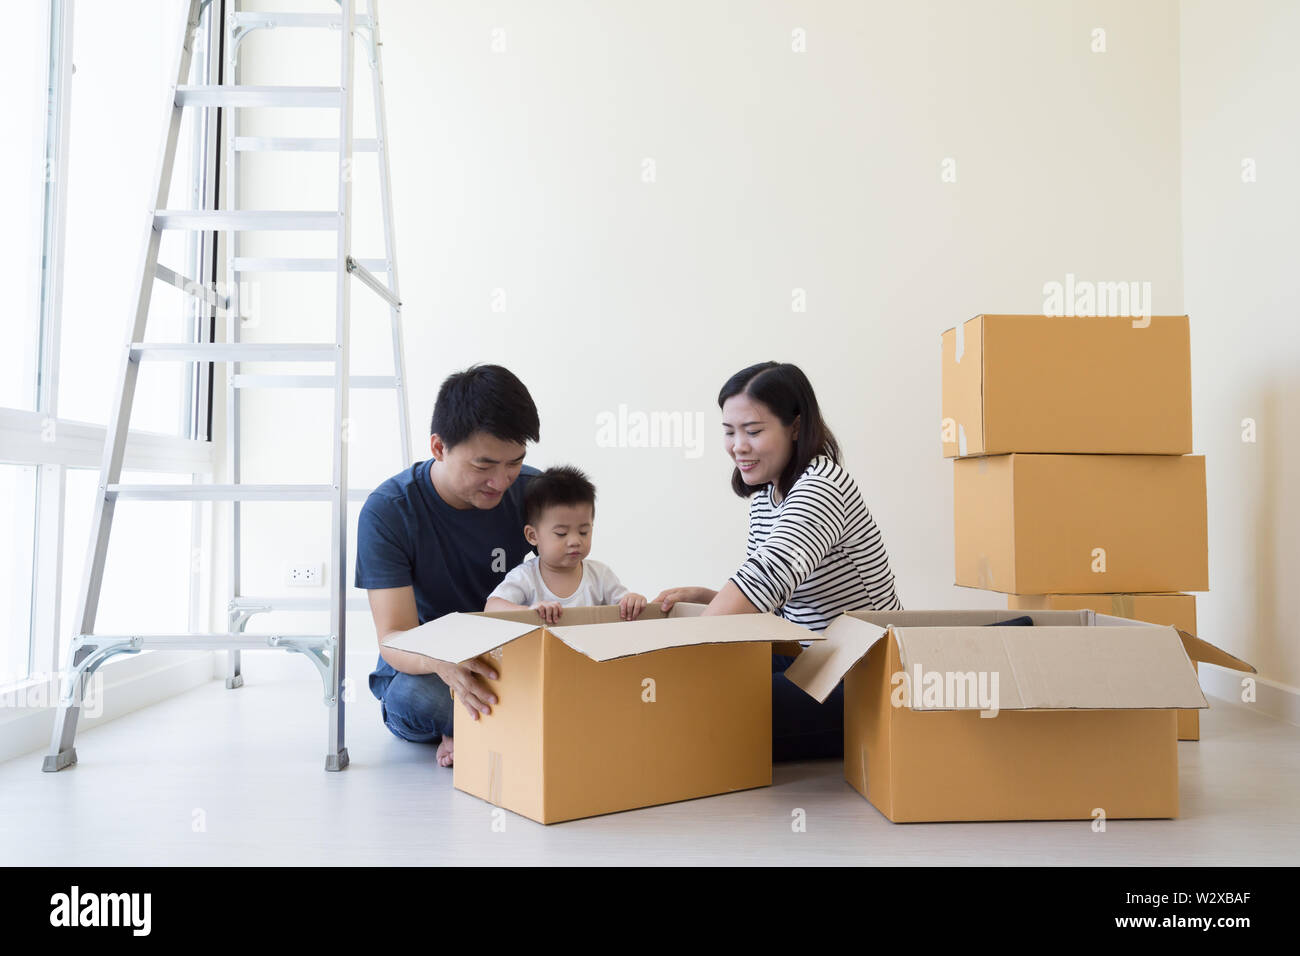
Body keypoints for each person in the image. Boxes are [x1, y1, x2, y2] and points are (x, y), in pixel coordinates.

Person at [653, 361, 903, 761]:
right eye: (729, 432)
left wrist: (673, 656)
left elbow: (765, 578)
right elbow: (772, 600)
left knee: (707, 703)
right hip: (809, 658)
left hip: (862, 673)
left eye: (753, 431)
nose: (738, 445)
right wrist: (707, 597)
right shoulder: (768, 495)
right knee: (709, 687)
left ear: (796, 427)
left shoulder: (822, 485)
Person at [355, 364, 541, 769]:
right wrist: (443, 662)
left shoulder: (533, 492)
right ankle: (494, 722)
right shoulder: (389, 511)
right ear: (439, 448)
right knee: (412, 697)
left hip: (506, 659)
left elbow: (568, 580)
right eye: (484, 466)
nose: (502, 480)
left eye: (515, 462)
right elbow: (394, 638)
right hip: (427, 669)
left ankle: (471, 727)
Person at [485, 465, 648, 623]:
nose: (575, 541)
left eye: (584, 531)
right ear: (533, 535)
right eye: (561, 533)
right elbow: (491, 607)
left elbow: (624, 607)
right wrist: (528, 612)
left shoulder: (600, 576)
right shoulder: (526, 577)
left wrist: (632, 600)